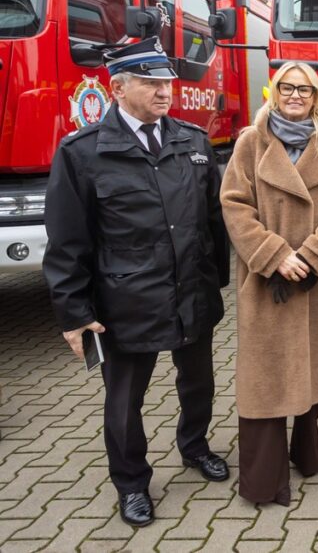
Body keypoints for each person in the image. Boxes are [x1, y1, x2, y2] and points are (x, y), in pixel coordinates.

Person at [43, 37, 231, 527]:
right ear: (118, 87)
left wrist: (217, 282)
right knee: (125, 400)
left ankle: (195, 447)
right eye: (150, 83)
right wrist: (76, 314)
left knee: (199, 384)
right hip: (124, 301)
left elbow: (212, 219)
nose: (164, 91)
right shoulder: (83, 153)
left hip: (191, 289)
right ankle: (131, 483)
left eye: (166, 82)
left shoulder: (190, 141)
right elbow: (67, 242)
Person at [221, 62, 318, 505]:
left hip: (317, 281)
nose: (295, 95)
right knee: (265, 383)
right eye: (287, 88)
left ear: (317, 96)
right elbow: (235, 205)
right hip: (268, 284)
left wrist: (314, 255)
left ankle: (306, 450)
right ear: (274, 92)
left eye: (304, 89)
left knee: (313, 371)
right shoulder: (250, 142)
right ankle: (264, 481)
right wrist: (276, 255)